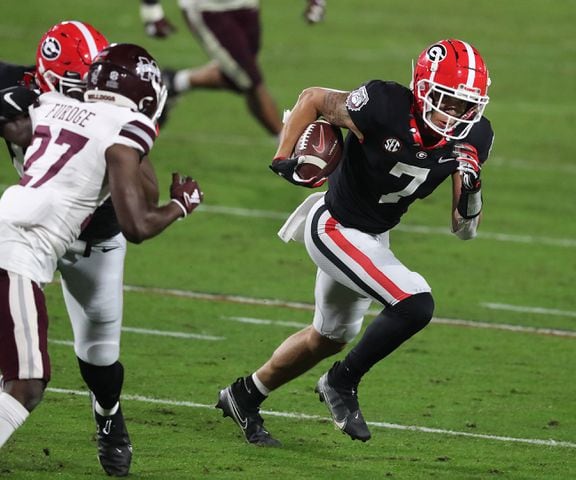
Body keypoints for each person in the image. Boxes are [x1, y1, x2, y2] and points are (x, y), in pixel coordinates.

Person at [216, 38, 493, 446]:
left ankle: (244, 395)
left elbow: (464, 228)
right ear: (421, 88)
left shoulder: (473, 137)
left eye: (463, 105)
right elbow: (313, 98)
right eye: (444, 100)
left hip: (373, 236)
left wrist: (472, 187)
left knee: (328, 337)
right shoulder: (382, 105)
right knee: (416, 302)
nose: (453, 114)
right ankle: (341, 383)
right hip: (333, 226)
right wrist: (283, 158)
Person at [0, 36, 203, 478]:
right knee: (25, 383)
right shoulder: (122, 122)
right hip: (23, 243)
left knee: (96, 354)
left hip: (70, 238)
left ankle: (109, 416)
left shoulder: (47, 103)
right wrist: (182, 205)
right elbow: (140, 225)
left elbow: (16, 125)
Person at [139, 0, 287, 136]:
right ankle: (287, 150)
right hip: (207, 7)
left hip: (247, 4)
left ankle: (174, 82)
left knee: (243, 74)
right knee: (249, 78)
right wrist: (152, 11)